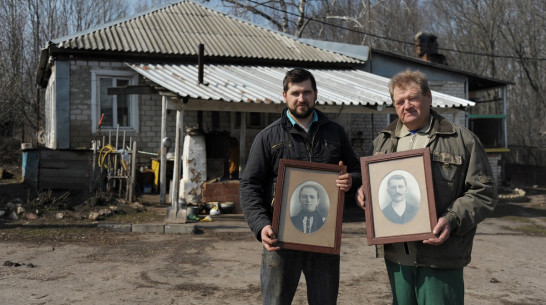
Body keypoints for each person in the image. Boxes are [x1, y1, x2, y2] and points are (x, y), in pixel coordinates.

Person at [357, 70, 497, 305]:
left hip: (440, 258)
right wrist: (365, 192)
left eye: (413, 98)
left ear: (429, 97)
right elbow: (375, 188)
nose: (407, 105)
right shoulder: (382, 142)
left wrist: (452, 219)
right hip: (397, 258)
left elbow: (485, 193)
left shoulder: (462, 140)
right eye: (400, 101)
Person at [240, 68, 361, 305]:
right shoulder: (268, 137)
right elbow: (249, 185)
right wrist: (260, 225)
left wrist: (352, 180)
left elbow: (357, 170)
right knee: (276, 301)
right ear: (284, 95)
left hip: (324, 238)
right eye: (295, 93)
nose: (301, 98)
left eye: (307, 92)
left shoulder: (335, 133)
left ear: (316, 94)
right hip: (280, 238)